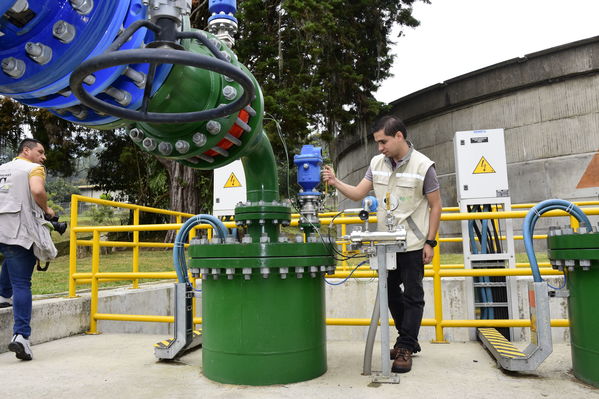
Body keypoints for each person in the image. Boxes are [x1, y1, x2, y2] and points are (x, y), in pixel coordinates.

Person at [322, 115, 442, 373]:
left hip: (412, 243)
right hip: (385, 242)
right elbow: (357, 192)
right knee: (388, 292)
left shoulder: (423, 166)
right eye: (377, 143)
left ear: (399, 136)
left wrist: (430, 242)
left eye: (383, 141)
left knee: (413, 295)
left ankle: (405, 346)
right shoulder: (377, 163)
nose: (380, 148)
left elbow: (435, 205)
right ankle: (406, 340)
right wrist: (335, 182)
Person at [0, 138, 57, 361]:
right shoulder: (34, 168)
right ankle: (21, 336)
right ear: (26, 151)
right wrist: (47, 209)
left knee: (10, 260)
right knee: (22, 282)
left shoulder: (2, 168)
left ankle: (3, 295)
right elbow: (37, 191)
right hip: (18, 230)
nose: (43, 157)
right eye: (40, 152)